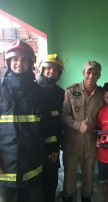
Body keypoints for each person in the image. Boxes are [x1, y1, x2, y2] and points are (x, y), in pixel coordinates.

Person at [0, 40, 58, 202]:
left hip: (34, 168)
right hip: (3, 171)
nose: (19, 63)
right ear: (8, 62)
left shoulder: (38, 93)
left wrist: (52, 148)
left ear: (30, 63)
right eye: (15, 59)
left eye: (24, 59)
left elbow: (47, 124)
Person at [61, 61, 105, 202]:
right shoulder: (71, 91)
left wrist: (101, 137)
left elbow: (104, 119)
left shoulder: (102, 95)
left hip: (91, 145)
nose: (91, 76)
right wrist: (77, 125)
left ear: (99, 76)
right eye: (88, 72)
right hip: (72, 144)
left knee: (88, 181)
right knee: (69, 182)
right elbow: (63, 115)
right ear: (83, 73)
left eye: (95, 73)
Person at [37, 54, 65, 202]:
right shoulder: (31, 89)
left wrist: (54, 148)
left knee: (50, 184)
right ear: (41, 69)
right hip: (33, 148)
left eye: (55, 70)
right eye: (48, 68)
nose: (51, 72)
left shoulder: (61, 93)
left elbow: (59, 123)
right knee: (36, 186)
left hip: (52, 149)